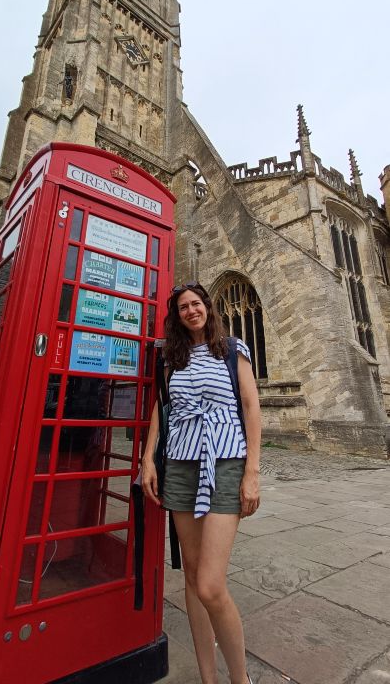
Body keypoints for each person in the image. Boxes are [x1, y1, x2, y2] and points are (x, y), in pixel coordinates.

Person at [142, 282, 261, 684]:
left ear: (207, 307)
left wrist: (252, 473)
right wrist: (148, 458)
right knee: (191, 578)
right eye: (183, 307)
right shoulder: (172, 358)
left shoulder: (231, 349)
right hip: (180, 465)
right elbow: (163, 408)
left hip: (224, 461)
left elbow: (251, 407)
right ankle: (209, 679)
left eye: (196, 304)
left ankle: (240, 679)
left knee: (210, 585)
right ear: (176, 316)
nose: (191, 310)